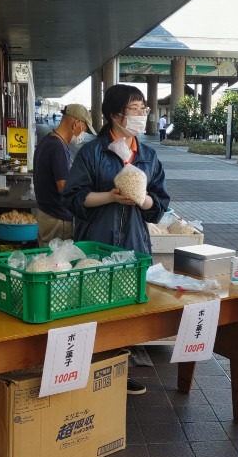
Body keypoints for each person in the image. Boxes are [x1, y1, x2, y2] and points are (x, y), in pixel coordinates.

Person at [63, 84, 171, 395]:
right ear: (115, 115)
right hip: (95, 242)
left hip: (134, 244)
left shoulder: (148, 156)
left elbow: (160, 203)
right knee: (90, 307)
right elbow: (73, 198)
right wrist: (110, 196)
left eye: (143, 108)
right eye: (135, 109)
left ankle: (117, 372)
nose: (141, 114)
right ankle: (85, 372)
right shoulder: (92, 153)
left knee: (125, 315)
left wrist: (143, 200)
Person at [33, 103, 94, 247]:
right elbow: (63, 187)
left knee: (47, 260)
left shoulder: (47, 140)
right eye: (84, 129)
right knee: (57, 263)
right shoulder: (57, 147)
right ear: (76, 123)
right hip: (57, 219)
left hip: (47, 214)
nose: (82, 135)